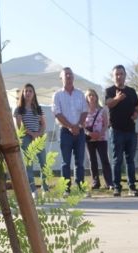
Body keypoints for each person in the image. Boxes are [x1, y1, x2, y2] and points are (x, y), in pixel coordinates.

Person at [105, 64, 138, 197]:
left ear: (125, 75)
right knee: (117, 160)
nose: (119, 76)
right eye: (117, 74)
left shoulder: (131, 91)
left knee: (130, 160)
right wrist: (117, 99)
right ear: (113, 76)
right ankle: (117, 187)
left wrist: (136, 114)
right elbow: (108, 103)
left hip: (130, 131)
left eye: (121, 74)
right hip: (116, 130)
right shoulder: (109, 90)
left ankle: (132, 187)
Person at [53, 67, 88, 196]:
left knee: (80, 161)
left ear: (73, 77)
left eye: (70, 75)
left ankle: (80, 188)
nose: (68, 77)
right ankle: (66, 189)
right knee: (65, 162)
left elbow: (85, 110)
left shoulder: (80, 94)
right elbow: (57, 113)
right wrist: (70, 127)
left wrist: (78, 126)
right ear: (61, 78)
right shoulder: (57, 95)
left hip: (79, 131)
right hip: (65, 132)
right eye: (66, 75)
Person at [13, 83, 47, 198]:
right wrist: (32, 134)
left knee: (44, 163)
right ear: (23, 93)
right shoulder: (19, 109)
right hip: (26, 137)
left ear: (33, 94)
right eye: (26, 91)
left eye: (30, 91)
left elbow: (43, 124)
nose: (28, 93)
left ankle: (45, 188)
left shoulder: (38, 108)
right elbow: (19, 126)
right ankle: (33, 190)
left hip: (38, 136)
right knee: (29, 164)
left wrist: (39, 134)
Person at [84, 88, 112, 190]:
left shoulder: (102, 110)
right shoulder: (84, 111)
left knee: (104, 160)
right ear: (86, 98)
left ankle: (109, 182)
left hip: (101, 138)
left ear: (96, 97)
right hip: (89, 139)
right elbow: (81, 125)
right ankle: (95, 182)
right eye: (89, 95)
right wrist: (89, 133)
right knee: (92, 161)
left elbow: (106, 124)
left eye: (93, 95)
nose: (91, 97)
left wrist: (100, 134)